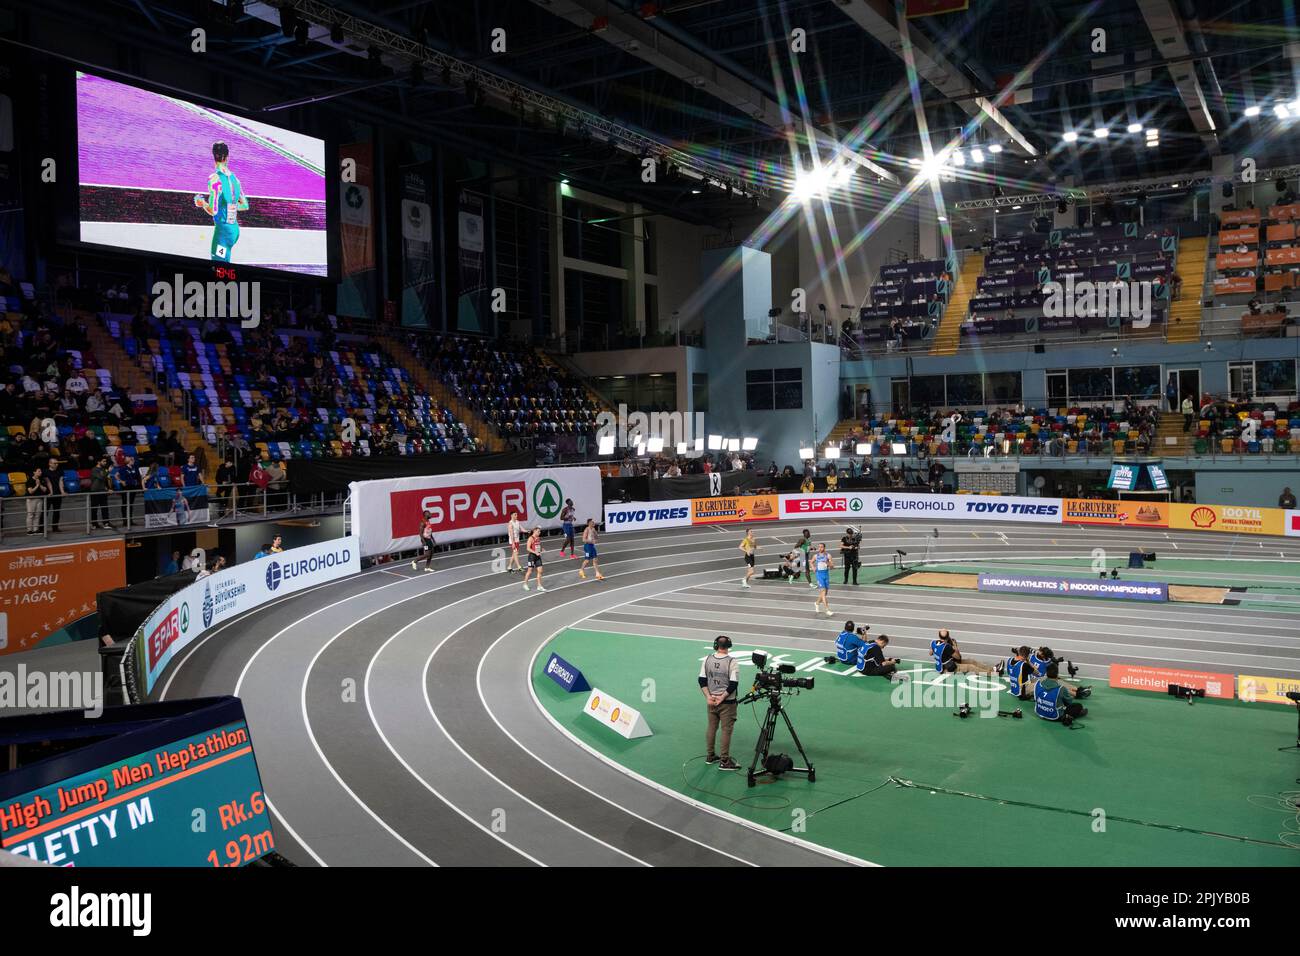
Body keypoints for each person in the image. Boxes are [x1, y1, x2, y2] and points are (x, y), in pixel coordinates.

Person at [194, 141, 248, 264]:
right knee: (224, 265)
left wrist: (201, 203)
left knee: (219, 268)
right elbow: (245, 205)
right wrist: (230, 207)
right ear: (227, 157)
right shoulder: (236, 180)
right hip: (234, 231)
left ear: (213, 156)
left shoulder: (214, 179)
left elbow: (213, 210)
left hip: (223, 234)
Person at [699, 635, 740, 771]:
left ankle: (710, 756)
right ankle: (724, 760)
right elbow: (733, 683)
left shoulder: (707, 659)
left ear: (716, 645)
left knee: (711, 727)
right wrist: (722, 697)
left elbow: (701, 680)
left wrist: (708, 697)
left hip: (711, 701)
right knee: (726, 731)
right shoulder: (732, 662)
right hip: (727, 703)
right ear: (728, 646)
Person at [929, 629, 995, 674]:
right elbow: (958, 657)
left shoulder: (933, 643)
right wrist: (955, 646)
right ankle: (992, 673)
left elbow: (930, 653)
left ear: (939, 636)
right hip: (948, 668)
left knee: (972, 661)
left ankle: (993, 669)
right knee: (971, 667)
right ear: (948, 636)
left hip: (944, 664)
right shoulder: (947, 646)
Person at [89, 455, 113, 529]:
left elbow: (103, 481)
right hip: (95, 492)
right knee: (94, 509)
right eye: (103, 461)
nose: (105, 463)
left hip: (103, 491)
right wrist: (108, 471)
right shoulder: (94, 469)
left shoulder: (103, 469)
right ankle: (94, 524)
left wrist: (108, 489)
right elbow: (101, 477)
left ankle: (106, 523)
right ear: (98, 462)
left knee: (105, 508)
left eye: (105, 461)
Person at [25, 465, 50, 535]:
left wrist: (40, 484)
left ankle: (36, 529)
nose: (40, 472)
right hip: (31, 499)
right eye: (39, 471)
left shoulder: (41, 479)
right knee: (30, 515)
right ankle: (29, 530)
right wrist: (37, 485)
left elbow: (45, 490)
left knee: (37, 515)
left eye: (41, 471)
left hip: (39, 499)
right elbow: (31, 491)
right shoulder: (29, 480)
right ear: (34, 472)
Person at [811, 542, 834, 616]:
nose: (820, 548)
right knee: (823, 592)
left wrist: (827, 562)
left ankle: (817, 603)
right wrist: (813, 567)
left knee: (825, 593)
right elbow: (811, 562)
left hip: (826, 575)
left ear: (824, 548)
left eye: (821, 547)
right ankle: (827, 609)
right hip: (819, 575)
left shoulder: (828, 556)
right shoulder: (816, 556)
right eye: (819, 547)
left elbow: (832, 567)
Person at [522, 527, 546, 592]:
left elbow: (538, 546)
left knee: (540, 571)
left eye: (540, 531)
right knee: (529, 571)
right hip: (532, 556)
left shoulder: (538, 538)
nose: (539, 533)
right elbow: (528, 548)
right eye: (538, 531)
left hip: (538, 556)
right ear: (534, 531)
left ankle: (539, 586)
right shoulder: (530, 538)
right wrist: (535, 552)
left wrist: (541, 549)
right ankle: (525, 584)